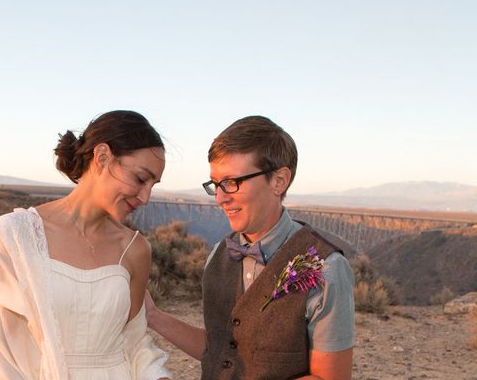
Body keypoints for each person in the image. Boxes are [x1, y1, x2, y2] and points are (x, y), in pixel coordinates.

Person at [145, 116, 354, 380]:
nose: (221, 198)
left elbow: (330, 378)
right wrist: (153, 316)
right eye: (216, 184)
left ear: (279, 180)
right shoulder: (217, 256)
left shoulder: (326, 268)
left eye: (232, 182)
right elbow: (220, 351)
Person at [0, 110, 172, 380]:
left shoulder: (135, 248)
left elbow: (134, 343)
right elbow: (5, 352)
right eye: (141, 179)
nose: (145, 197)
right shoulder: (18, 234)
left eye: (153, 185)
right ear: (102, 156)